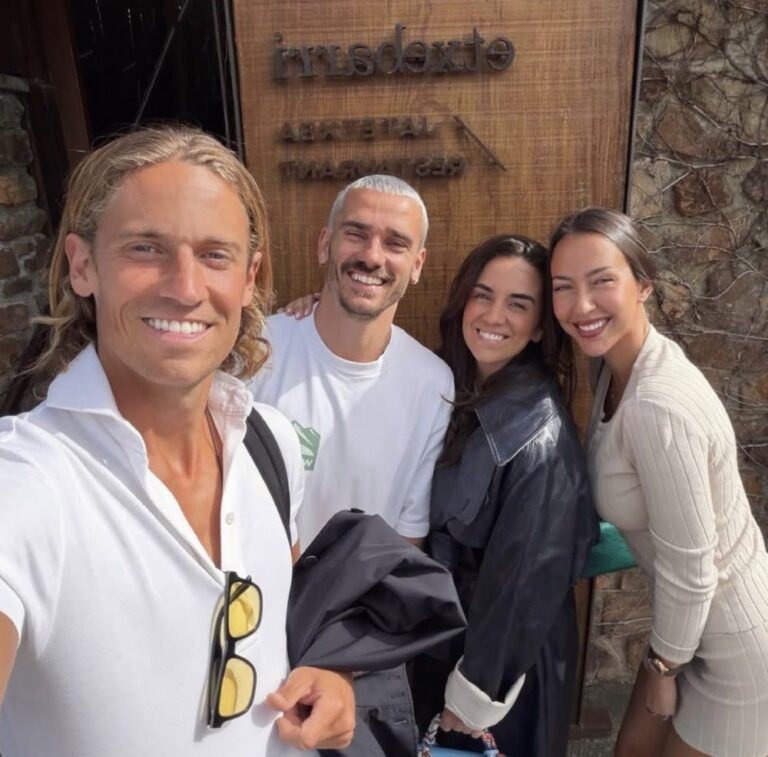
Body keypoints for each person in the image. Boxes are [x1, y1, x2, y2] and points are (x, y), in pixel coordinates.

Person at [0, 125, 355, 757]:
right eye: (146, 248)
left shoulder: (268, 443)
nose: (185, 288)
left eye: (215, 255)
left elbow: (289, 610)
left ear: (249, 278)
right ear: (83, 266)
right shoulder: (29, 483)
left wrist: (330, 674)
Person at [549, 207, 768, 757]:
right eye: (563, 287)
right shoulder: (615, 367)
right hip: (690, 632)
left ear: (643, 284)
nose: (581, 305)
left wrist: (663, 667)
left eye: (601, 281)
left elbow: (692, 569)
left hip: (735, 651)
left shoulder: (656, 406)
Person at [412, 235, 598, 756]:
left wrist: (473, 697)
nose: (494, 316)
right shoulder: (451, 386)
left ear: (539, 326)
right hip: (445, 646)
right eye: (483, 295)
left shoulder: (540, 439)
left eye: (518, 304)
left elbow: (521, 584)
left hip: (498, 677)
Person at [248, 175, 453, 548]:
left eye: (395, 243)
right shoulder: (256, 351)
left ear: (417, 264)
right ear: (325, 244)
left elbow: (407, 537)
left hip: (367, 588)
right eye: (356, 234)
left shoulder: (433, 384)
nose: (372, 256)